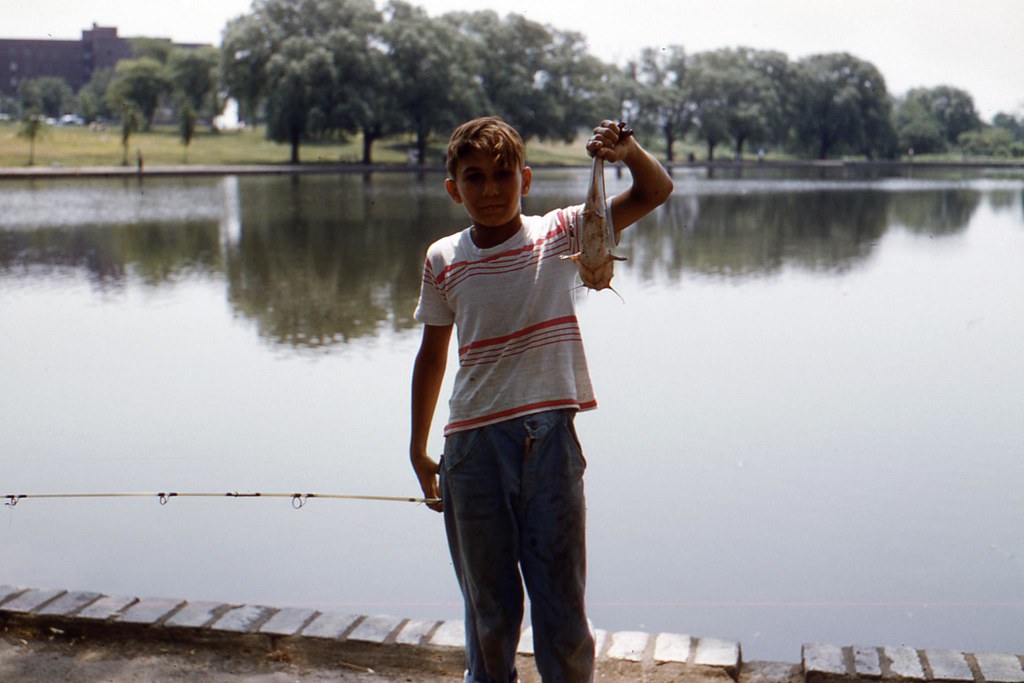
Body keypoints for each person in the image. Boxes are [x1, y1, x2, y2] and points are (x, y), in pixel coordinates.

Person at [409, 116, 673, 683]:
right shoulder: (442, 259)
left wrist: (626, 152)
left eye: (504, 175)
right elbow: (431, 357)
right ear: (454, 189)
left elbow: (655, 191)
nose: (490, 190)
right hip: (472, 453)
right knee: (491, 615)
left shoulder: (564, 233)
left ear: (525, 180)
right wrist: (417, 448)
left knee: (563, 614)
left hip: (552, 444)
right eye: (474, 178)